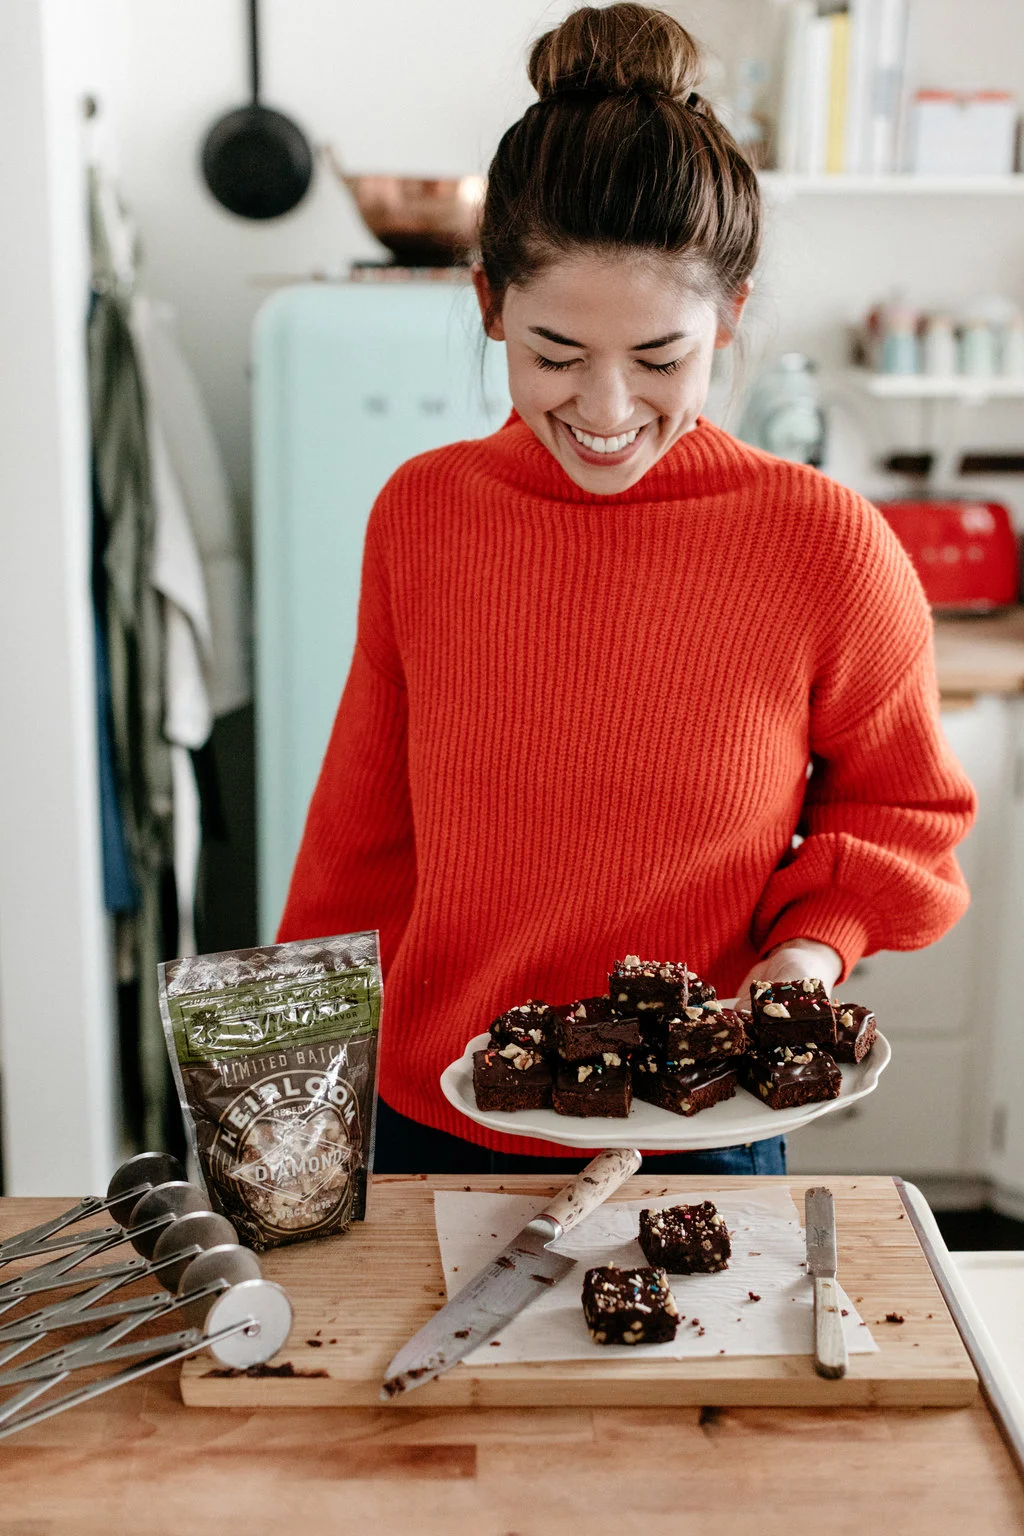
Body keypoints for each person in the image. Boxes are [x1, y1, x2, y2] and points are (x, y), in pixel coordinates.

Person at [277, 4, 976, 1176]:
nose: (606, 415)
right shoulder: (425, 513)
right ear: (489, 301)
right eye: (554, 353)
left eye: (661, 359)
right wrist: (301, 1096)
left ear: (731, 317)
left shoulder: (824, 544)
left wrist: (810, 954)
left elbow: (902, 812)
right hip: (436, 1120)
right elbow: (362, 836)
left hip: (700, 1125)